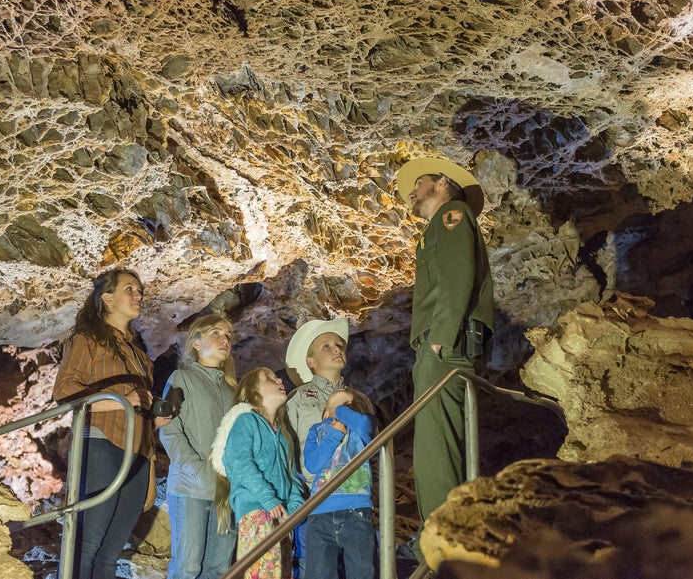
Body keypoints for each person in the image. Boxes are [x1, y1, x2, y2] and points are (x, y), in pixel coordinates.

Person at [53, 267, 173, 579]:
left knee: (109, 554)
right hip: (102, 442)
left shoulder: (139, 355)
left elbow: (137, 403)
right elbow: (65, 391)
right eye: (130, 289)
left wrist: (153, 420)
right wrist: (119, 400)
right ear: (107, 299)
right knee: (87, 546)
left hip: (138, 450)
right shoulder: (87, 340)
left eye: (139, 290)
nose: (138, 295)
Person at [395, 156, 494, 525]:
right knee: (443, 446)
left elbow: (456, 278)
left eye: (418, 183)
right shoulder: (443, 223)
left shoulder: (451, 215)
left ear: (440, 182)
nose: (411, 192)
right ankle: (452, 536)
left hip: (445, 349)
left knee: (436, 450)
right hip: (448, 347)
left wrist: (439, 340)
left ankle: (441, 543)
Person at [284, 319, 376, 579]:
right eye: (326, 346)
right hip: (311, 497)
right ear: (310, 361)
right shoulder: (298, 399)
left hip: (354, 494)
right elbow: (287, 447)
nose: (337, 349)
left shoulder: (361, 400)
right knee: (313, 569)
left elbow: (373, 443)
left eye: (339, 345)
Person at [160, 314, 240, 579]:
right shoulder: (182, 378)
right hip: (190, 487)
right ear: (196, 343)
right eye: (216, 333)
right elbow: (169, 431)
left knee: (219, 569)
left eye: (228, 335)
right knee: (188, 567)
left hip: (226, 491)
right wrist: (197, 468)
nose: (224, 339)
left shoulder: (234, 391)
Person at [210, 367, 306, 579]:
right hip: (257, 510)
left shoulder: (283, 434)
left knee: (282, 573)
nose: (279, 378)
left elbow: (292, 477)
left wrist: (294, 508)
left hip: (282, 517)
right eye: (269, 379)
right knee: (263, 572)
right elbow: (239, 462)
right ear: (253, 393)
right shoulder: (246, 422)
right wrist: (268, 499)